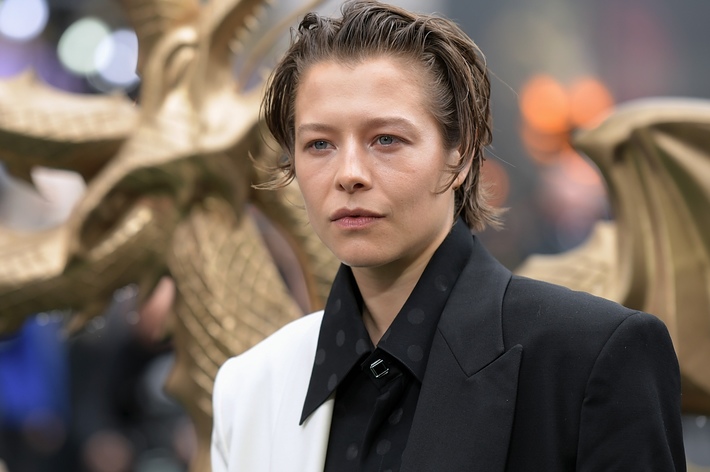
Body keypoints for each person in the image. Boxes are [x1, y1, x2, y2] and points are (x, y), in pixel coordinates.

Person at [210, 1, 686, 471]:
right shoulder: (251, 387)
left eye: (386, 139)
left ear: (459, 155)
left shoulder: (589, 358)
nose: (348, 173)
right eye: (319, 144)